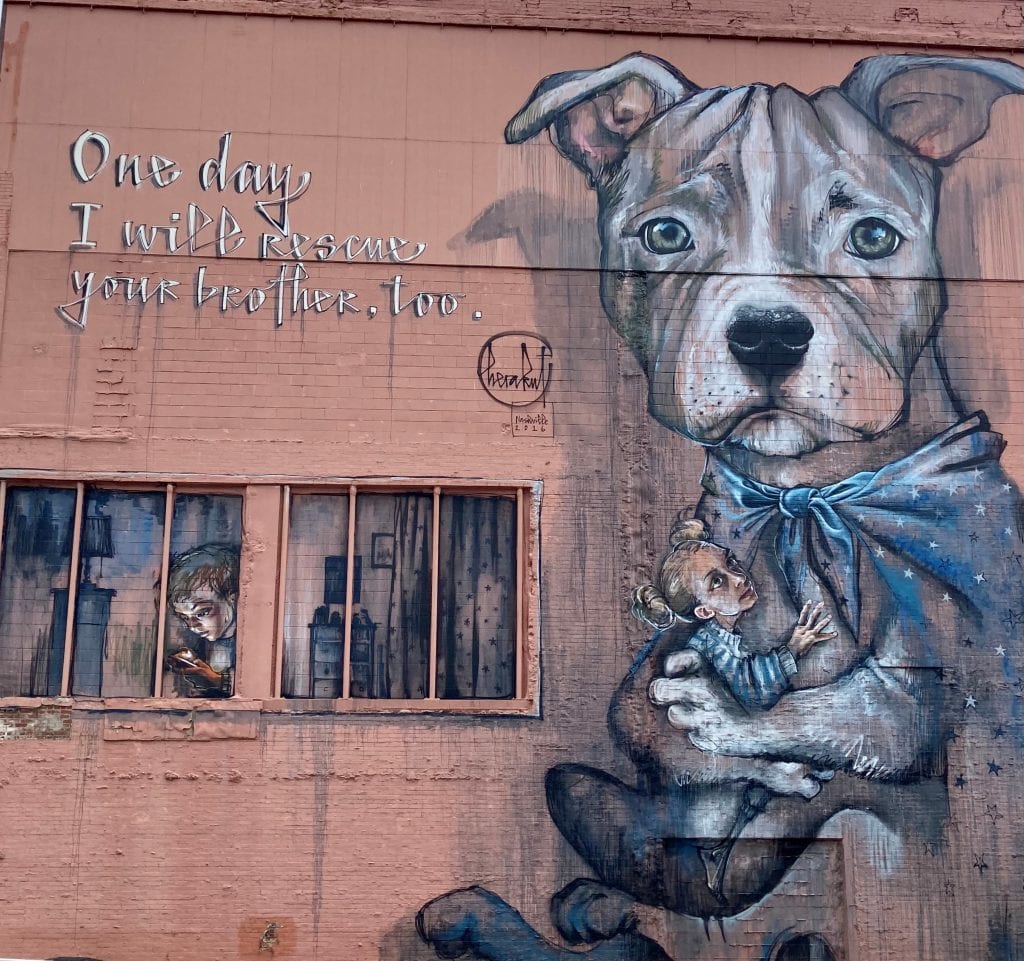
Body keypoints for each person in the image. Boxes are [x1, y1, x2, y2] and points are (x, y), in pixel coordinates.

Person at [629, 516, 837, 895]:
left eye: (732, 565)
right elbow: (754, 690)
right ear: (705, 610)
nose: (738, 578)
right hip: (712, 784)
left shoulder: (724, 639)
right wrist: (794, 649)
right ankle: (717, 856)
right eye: (717, 581)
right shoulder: (708, 647)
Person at [164, 543, 239, 698]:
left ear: (233, 599)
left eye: (201, 613)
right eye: (184, 617)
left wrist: (214, 680)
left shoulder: (250, 642)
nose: (192, 626)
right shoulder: (201, 644)